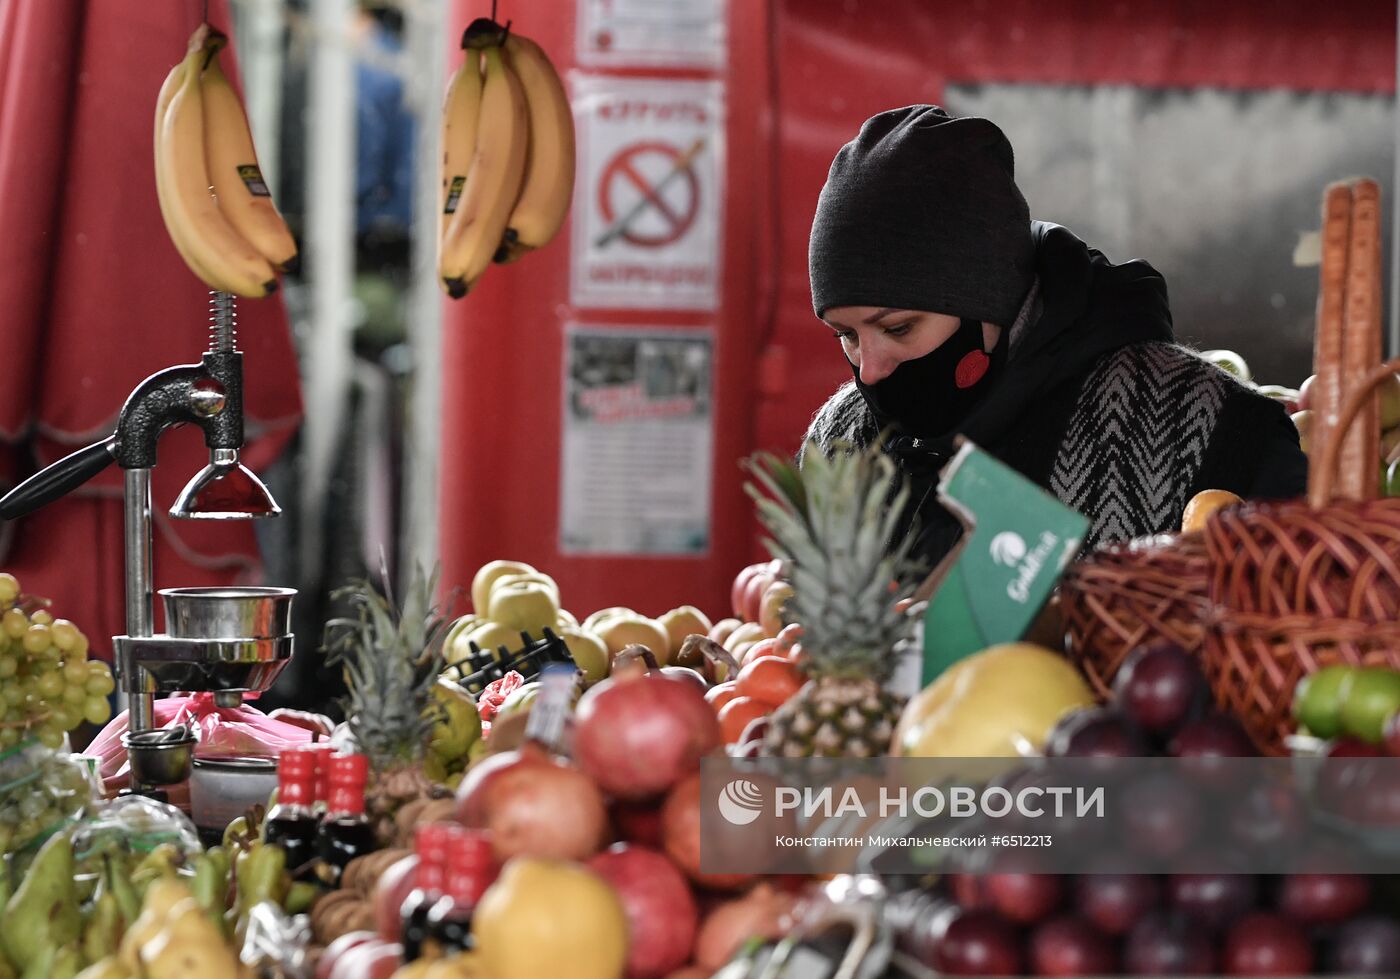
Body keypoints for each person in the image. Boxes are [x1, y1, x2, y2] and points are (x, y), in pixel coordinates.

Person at [802, 104, 1307, 566]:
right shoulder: (841, 442)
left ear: (990, 300)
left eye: (898, 327)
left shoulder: (1204, 428)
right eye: (845, 334)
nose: (869, 368)